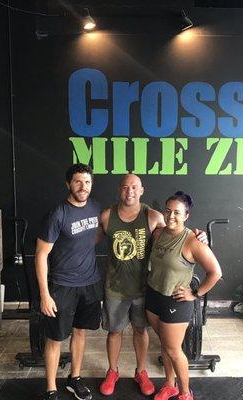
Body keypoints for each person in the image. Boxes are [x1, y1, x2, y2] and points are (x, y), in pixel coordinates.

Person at [98, 175, 208, 397]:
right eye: (125, 187)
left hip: (143, 288)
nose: (130, 191)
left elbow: (177, 228)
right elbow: (87, 241)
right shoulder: (107, 216)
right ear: (119, 190)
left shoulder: (153, 216)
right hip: (115, 287)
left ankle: (141, 372)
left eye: (134, 187)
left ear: (141, 191)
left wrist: (198, 234)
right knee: (114, 332)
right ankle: (112, 371)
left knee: (141, 330)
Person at [145, 191, 222, 400]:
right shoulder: (158, 233)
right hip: (153, 295)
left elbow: (216, 272)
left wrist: (196, 293)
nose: (171, 216)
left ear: (186, 215)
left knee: (173, 349)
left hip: (175, 300)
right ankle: (169, 384)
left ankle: (185, 393)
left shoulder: (193, 241)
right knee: (165, 344)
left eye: (177, 213)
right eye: (168, 211)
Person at [36, 163, 103, 400]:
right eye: (77, 181)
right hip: (62, 285)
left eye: (87, 182)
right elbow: (41, 254)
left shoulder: (95, 207)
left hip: (90, 282)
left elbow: (98, 235)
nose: (83, 187)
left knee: (80, 332)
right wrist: (45, 294)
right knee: (55, 338)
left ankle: (74, 379)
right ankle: (51, 389)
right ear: (68, 184)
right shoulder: (58, 214)